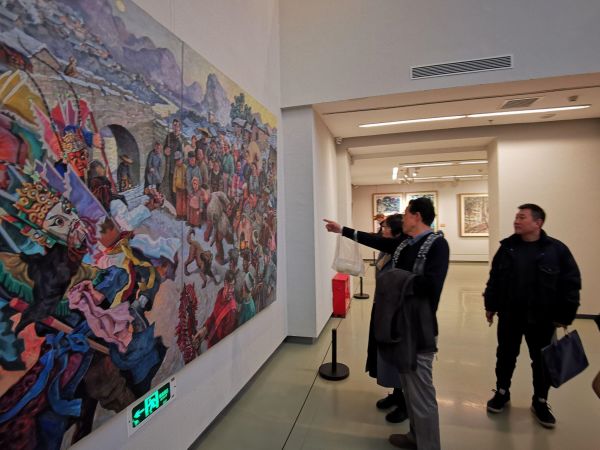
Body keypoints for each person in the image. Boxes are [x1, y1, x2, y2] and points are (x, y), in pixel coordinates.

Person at [324, 197, 449, 450]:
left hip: (418, 327)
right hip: (398, 323)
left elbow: (432, 286)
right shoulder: (405, 243)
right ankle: (415, 436)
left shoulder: (437, 245)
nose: (403, 218)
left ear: (417, 216)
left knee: (421, 391)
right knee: (409, 387)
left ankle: (428, 444)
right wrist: (342, 230)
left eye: (407, 213)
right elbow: (377, 241)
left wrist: (395, 279)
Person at [484, 203, 581, 429]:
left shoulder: (556, 250)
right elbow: (494, 279)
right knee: (505, 356)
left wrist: (565, 315)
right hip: (510, 315)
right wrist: (490, 305)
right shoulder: (507, 248)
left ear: (538, 223)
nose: (516, 221)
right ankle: (502, 392)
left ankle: (540, 401)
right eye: (516, 217)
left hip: (542, 319)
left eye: (522, 217)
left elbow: (571, 284)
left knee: (541, 361)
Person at [370, 214, 409, 424]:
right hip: (382, 307)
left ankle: (405, 404)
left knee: (398, 355)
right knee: (386, 354)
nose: (381, 230)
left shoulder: (402, 254)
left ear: (395, 232)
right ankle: (396, 393)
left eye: (385, 228)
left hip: (396, 312)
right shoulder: (387, 250)